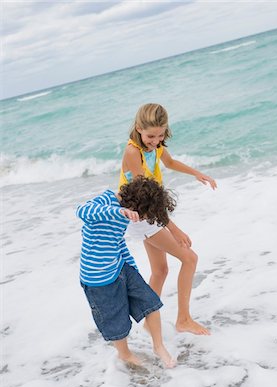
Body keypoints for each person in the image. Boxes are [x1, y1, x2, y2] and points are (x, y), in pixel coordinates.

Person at [119, 103, 217, 335]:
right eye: (151, 136)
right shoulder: (133, 152)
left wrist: (197, 173)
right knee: (190, 258)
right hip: (141, 214)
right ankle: (183, 320)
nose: (156, 141)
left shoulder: (155, 145)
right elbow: (147, 198)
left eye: (161, 135)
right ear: (138, 128)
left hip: (150, 213)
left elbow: (170, 162)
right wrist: (174, 229)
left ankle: (147, 322)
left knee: (160, 270)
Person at [77, 176, 177, 368]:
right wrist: (118, 211)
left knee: (151, 303)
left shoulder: (126, 213)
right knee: (117, 322)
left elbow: (118, 240)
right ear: (135, 205)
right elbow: (82, 211)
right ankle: (125, 354)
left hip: (121, 265)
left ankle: (159, 346)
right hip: (97, 277)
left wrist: (131, 267)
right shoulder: (106, 200)